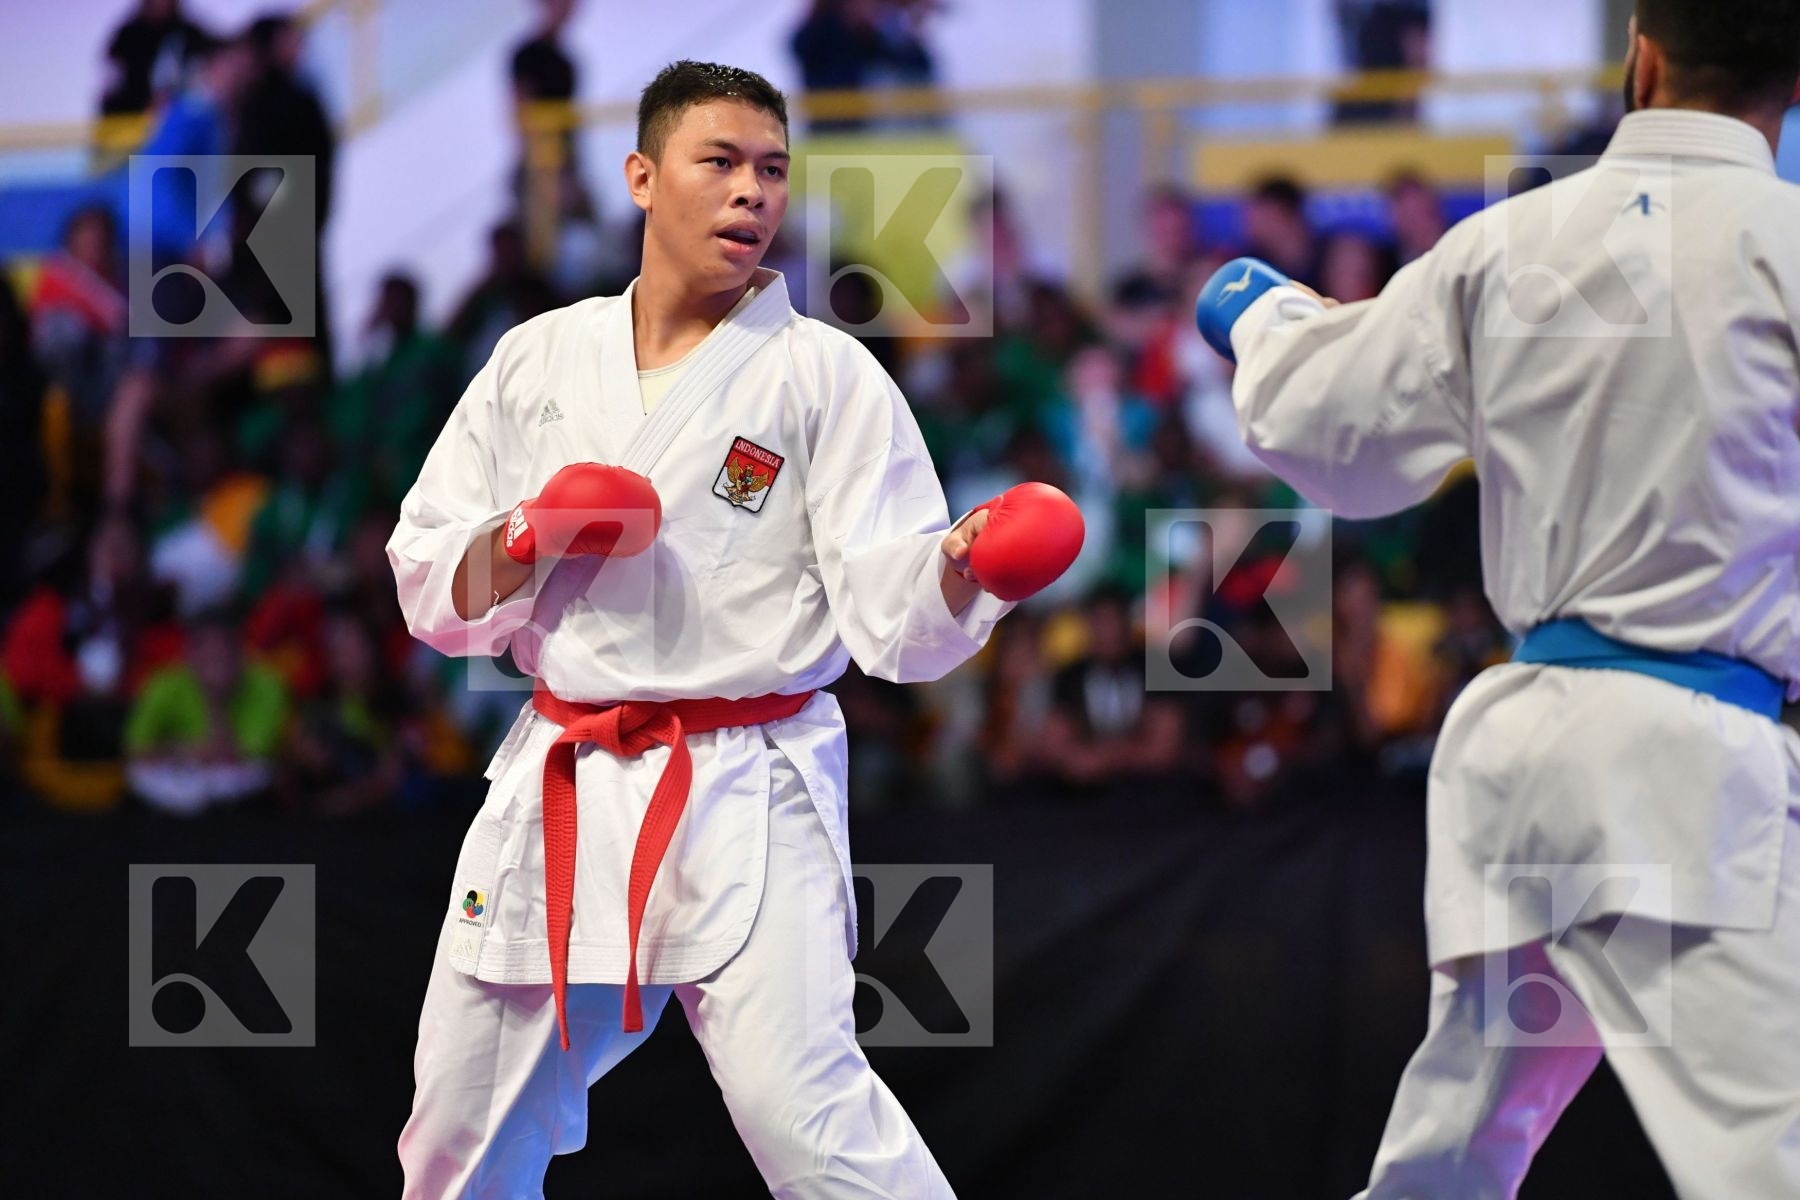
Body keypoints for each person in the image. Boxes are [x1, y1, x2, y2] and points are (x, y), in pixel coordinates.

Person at [390, 60, 1081, 1198]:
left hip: (749, 783)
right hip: (568, 775)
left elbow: (890, 620)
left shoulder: (827, 378)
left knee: (808, 1115)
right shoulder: (537, 360)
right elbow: (426, 580)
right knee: (458, 1134)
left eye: (772, 170)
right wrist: (526, 535)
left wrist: (960, 569)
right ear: (643, 178)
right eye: (721, 164)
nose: (753, 194)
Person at [1198, 2, 1800, 1194]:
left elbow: (1333, 438)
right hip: (1682, 776)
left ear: (1643, 51)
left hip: (1520, 765)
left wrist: (1263, 316)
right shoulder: (1784, 244)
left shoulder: (1508, 242)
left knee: (1454, 1160)